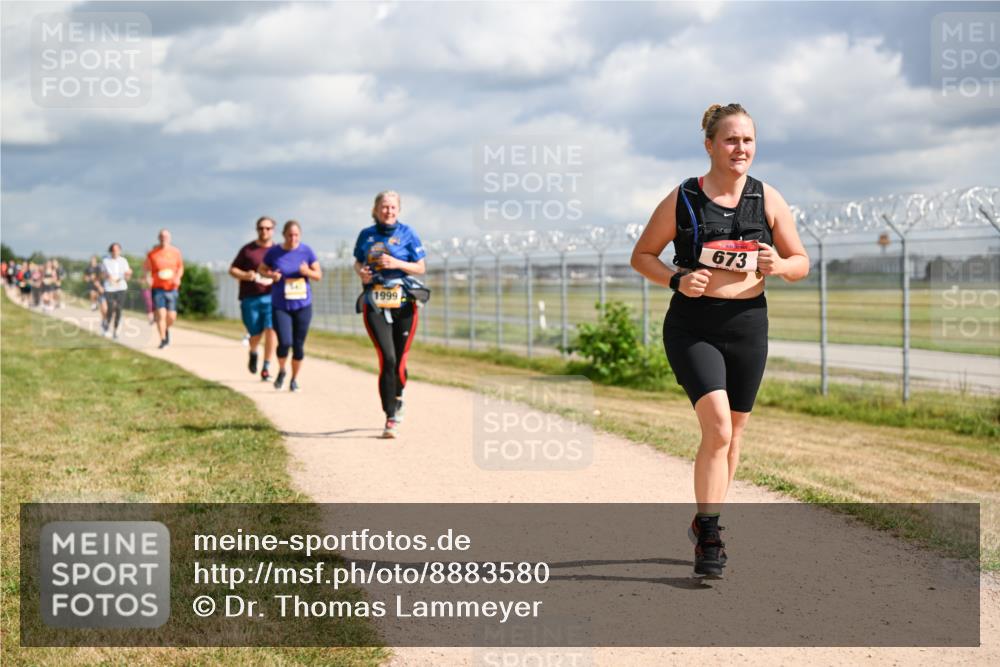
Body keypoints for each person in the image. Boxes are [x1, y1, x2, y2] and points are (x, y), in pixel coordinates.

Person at [630, 103, 809, 578]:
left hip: (748, 325)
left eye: (748, 140)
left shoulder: (767, 198)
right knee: (719, 430)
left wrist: (780, 265)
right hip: (694, 326)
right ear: (709, 144)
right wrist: (674, 280)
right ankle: (710, 535)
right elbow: (642, 255)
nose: (741, 148)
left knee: (734, 436)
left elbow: (801, 263)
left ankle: (704, 516)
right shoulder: (684, 197)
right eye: (731, 140)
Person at [353, 190, 427, 439]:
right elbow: (357, 261)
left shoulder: (408, 233)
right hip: (374, 301)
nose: (388, 211)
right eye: (384, 207)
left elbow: (420, 267)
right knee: (387, 357)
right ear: (375, 209)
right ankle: (390, 415)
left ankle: (399, 394)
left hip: (404, 303)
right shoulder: (366, 235)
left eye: (393, 207)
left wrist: (397, 264)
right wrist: (361, 272)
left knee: (400, 360)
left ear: (398, 210)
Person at [258, 220, 322, 392]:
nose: (293, 238)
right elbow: (261, 269)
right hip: (281, 305)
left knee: (299, 345)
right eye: (290, 235)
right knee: (285, 342)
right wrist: (271, 275)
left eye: (296, 235)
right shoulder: (275, 252)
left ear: (299, 235)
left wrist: (307, 272)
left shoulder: (306, 251)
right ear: (284, 235)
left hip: (303, 305)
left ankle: (294, 379)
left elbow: (318, 275)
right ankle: (282, 370)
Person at [229, 217, 278, 381]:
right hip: (250, 298)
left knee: (271, 329)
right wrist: (245, 275)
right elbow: (232, 270)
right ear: (257, 229)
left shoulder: (278, 251)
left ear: (273, 230)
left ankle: (266, 367)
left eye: (268, 228)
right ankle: (253, 351)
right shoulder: (248, 250)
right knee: (255, 332)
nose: (264, 231)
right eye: (261, 228)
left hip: (272, 297)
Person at [146, 229, 184, 349]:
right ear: (159, 238)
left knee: (171, 316)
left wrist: (178, 277)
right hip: (158, 288)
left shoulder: (175, 252)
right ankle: (163, 339)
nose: (164, 238)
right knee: (161, 315)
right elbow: (146, 269)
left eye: (166, 236)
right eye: (162, 236)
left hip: (172, 288)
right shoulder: (152, 253)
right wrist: (147, 278)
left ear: (169, 238)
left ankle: (166, 329)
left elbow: (180, 267)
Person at [100, 243, 132, 338]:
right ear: (111, 251)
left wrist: (128, 274)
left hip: (121, 287)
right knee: (110, 308)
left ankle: (115, 329)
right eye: (113, 250)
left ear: (120, 251)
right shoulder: (105, 261)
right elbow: (102, 274)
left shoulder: (124, 261)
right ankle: (106, 325)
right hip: (109, 288)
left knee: (118, 309)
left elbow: (127, 276)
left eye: (117, 250)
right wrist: (107, 276)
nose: (115, 252)